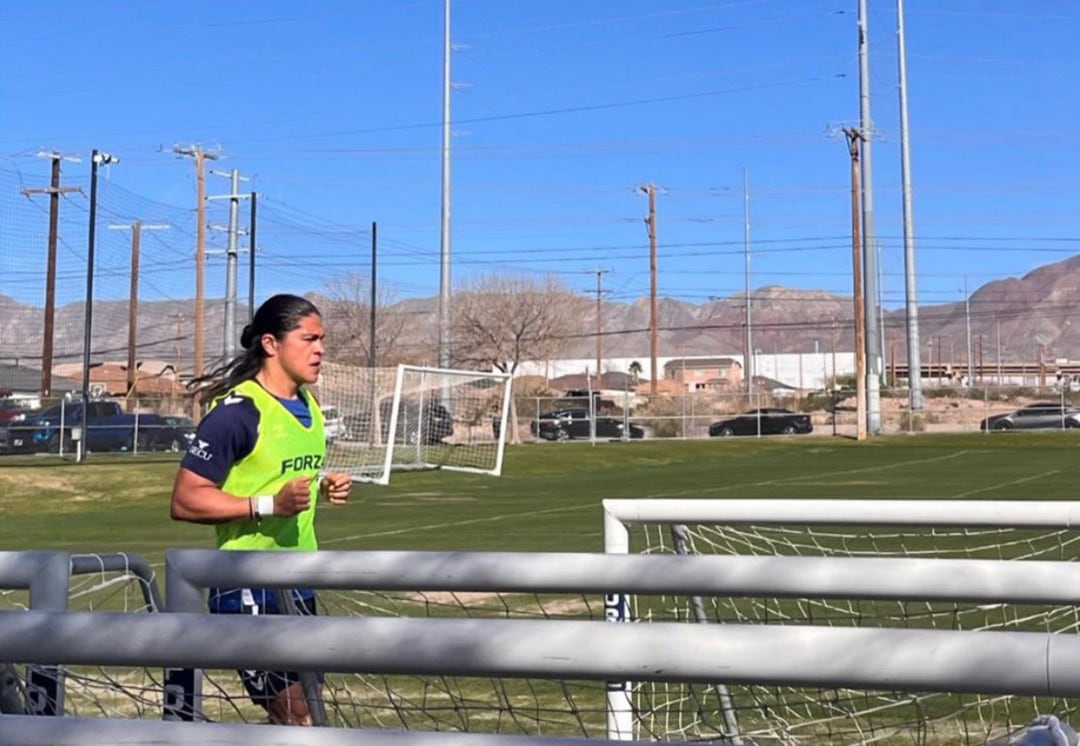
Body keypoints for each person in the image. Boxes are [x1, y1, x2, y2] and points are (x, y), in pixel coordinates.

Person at [170, 293, 351, 726]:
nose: (320, 349)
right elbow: (185, 499)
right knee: (298, 715)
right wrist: (271, 504)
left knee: (303, 713)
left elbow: (283, 477)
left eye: (322, 339)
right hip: (248, 585)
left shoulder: (309, 406)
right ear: (271, 344)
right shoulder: (237, 412)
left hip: (300, 582)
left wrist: (324, 486)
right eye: (308, 338)